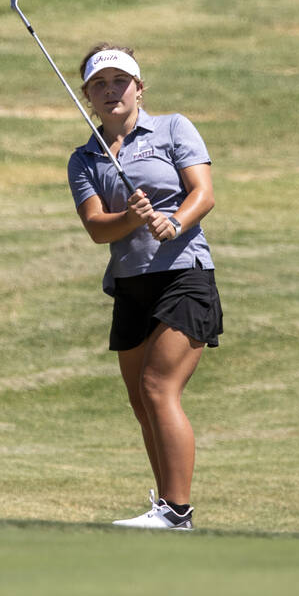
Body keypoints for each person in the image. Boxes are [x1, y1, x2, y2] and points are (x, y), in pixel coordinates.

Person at [66, 43, 222, 531]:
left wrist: (172, 223)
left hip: (184, 274)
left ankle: (177, 511)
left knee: (159, 386)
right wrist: (129, 217)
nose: (111, 91)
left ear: (139, 88)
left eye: (120, 81)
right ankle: (165, 510)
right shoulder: (84, 158)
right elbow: (97, 228)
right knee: (140, 399)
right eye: (100, 84)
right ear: (88, 95)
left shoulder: (174, 127)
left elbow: (203, 193)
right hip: (131, 284)